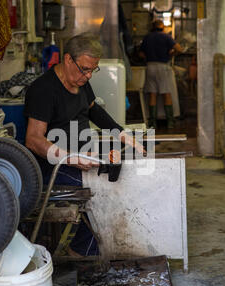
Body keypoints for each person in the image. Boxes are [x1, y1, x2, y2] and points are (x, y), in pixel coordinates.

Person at [24, 32, 145, 257]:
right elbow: (33, 139)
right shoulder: (43, 90)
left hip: (83, 155)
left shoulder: (80, 82)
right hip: (54, 167)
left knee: (123, 171)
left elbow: (93, 110)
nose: (88, 76)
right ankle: (82, 252)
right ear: (68, 59)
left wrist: (121, 133)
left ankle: (84, 249)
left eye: (93, 70)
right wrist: (68, 157)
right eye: (84, 69)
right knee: (108, 188)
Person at [139, 19, 184, 129]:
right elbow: (179, 49)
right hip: (163, 67)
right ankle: (170, 122)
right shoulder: (166, 36)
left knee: (152, 94)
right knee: (166, 93)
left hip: (149, 67)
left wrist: (149, 57)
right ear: (162, 27)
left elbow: (140, 54)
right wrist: (171, 55)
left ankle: (152, 122)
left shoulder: (147, 37)